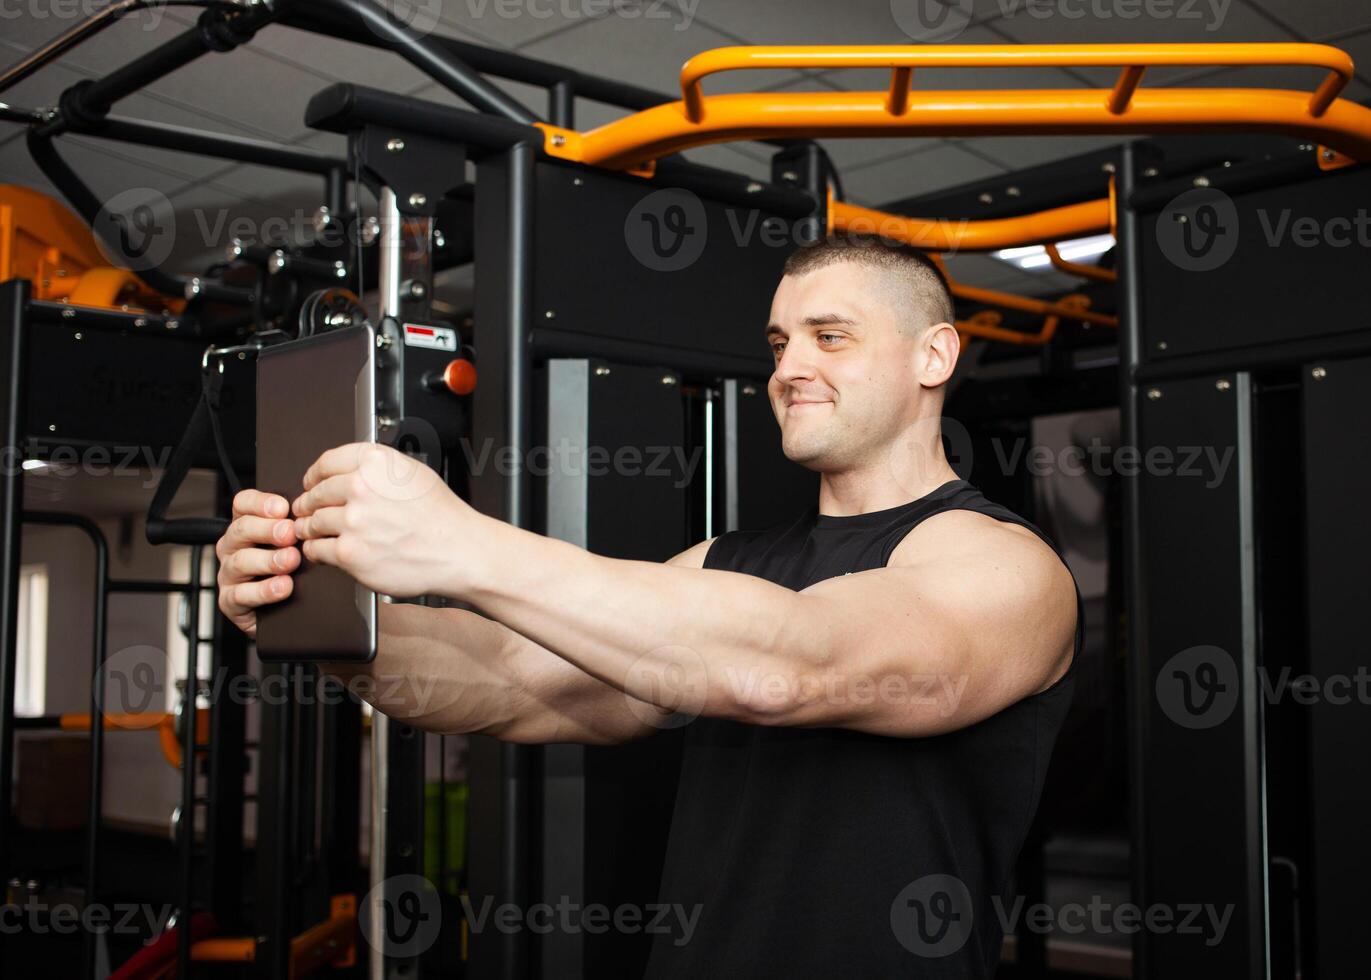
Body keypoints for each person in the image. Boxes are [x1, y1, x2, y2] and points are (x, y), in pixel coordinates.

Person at [216, 234, 1080, 977]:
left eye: (831, 337)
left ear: (934, 356)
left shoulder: (1006, 566)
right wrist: (317, 622)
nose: (790, 368)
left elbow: (796, 667)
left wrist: (460, 542)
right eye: (780, 343)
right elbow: (519, 679)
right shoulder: (724, 562)